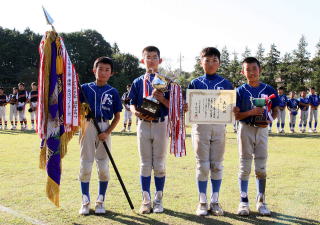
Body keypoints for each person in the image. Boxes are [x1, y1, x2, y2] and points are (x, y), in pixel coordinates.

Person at [188, 47, 233, 216]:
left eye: (214, 60)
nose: (211, 63)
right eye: (207, 60)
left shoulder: (226, 83)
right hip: (200, 127)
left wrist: (231, 107)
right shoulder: (195, 82)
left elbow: (228, 106)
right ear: (201, 63)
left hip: (220, 127)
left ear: (219, 63)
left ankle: (214, 201)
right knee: (202, 165)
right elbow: (189, 106)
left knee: (217, 165)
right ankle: (202, 201)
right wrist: (186, 106)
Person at [234, 57, 279, 216]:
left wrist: (269, 120)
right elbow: (237, 115)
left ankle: (261, 201)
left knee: (261, 167)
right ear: (242, 72)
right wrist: (251, 112)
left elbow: (275, 110)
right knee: (244, 166)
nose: (251, 72)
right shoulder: (239, 91)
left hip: (262, 130)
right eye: (248, 69)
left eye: (254, 68)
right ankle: (243, 201)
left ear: (260, 70)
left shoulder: (269, 89)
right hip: (245, 128)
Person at [78, 56, 122, 215]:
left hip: (105, 126)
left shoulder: (113, 92)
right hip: (87, 126)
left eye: (107, 70)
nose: (103, 72)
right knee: (85, 165)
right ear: (94, 70)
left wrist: (107, 132)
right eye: (100, 69)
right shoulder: (83, 88)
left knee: (103, 167)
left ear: (111, 73)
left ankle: (100, 200)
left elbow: (117, 116)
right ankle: (85, 201)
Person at [129, 46, 169, 214]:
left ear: (160, 60)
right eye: (148, 57)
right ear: (142, 60)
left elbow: (173, 106)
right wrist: (135, 111)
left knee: (159, 164)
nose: (151, 60)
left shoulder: (166, 81)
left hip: (160, 124)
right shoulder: (138, 81)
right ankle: (146, 200)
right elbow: (131, 102)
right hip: (143, 125)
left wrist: (162, 99)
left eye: (154, 57)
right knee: (145, 164)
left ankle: (158, 200)